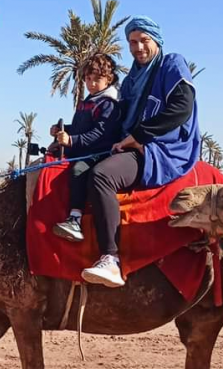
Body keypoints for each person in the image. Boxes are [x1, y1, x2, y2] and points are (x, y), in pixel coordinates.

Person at [80, 16, 201, 288]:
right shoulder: (133, 77)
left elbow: (182, 107)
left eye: (143, 40)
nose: (138, 48)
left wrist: (139, 136)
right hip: (132, 143)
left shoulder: (172, 64)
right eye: (132, 42)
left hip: (162, 148)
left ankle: (110, 258)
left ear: (156, 41)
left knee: (102, 176)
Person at [50, 53, 121, 242]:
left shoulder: (108, 104)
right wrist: (61, 131)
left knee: (78, 170)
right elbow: (81, 128)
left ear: (109, 79)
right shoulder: (87, 102)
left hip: (99, 152)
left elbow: (99, 133)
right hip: (83, 148)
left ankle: (75, 218)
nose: (91, 83)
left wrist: (71, 140)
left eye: (97, 79)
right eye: (88, 79)